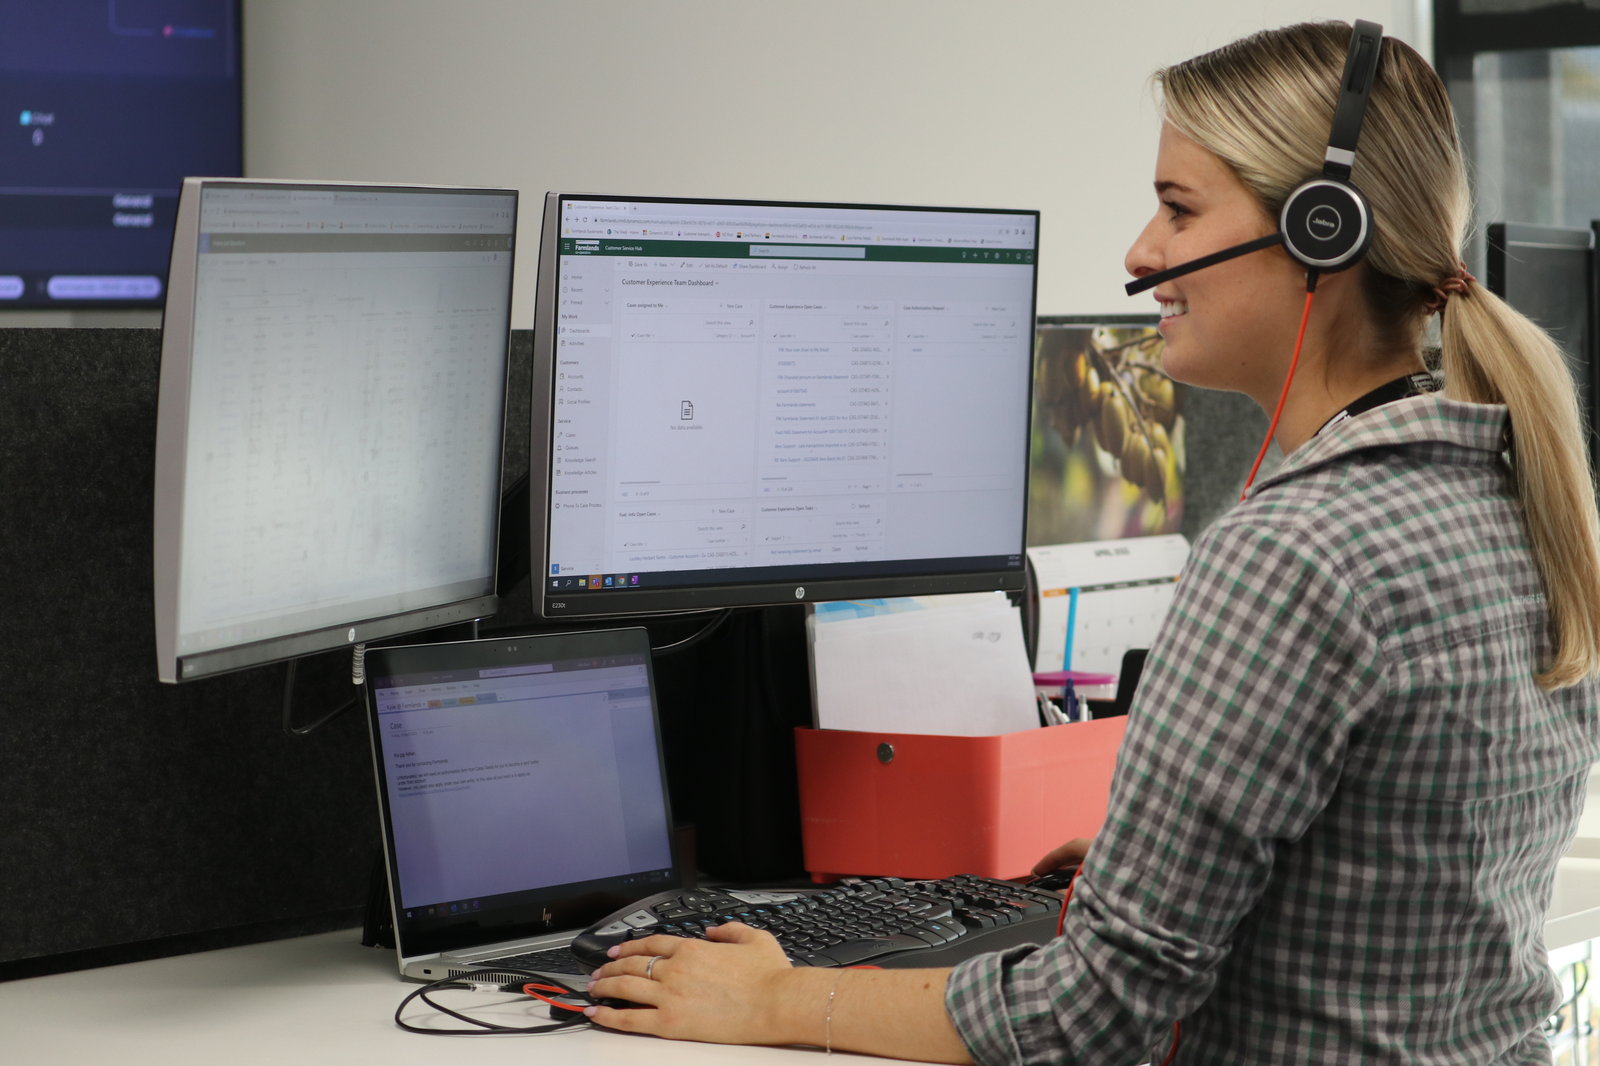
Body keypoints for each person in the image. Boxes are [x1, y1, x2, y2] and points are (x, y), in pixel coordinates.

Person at [585, 21, 1600, 1064]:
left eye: (1178, 208)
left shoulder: (1297, 551)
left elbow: (1089, 1016)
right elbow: (1403, 877)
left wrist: (773, 999)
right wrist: (1152, 869)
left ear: (1320, 232)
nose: (1139, 252)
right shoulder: (1511, 492)